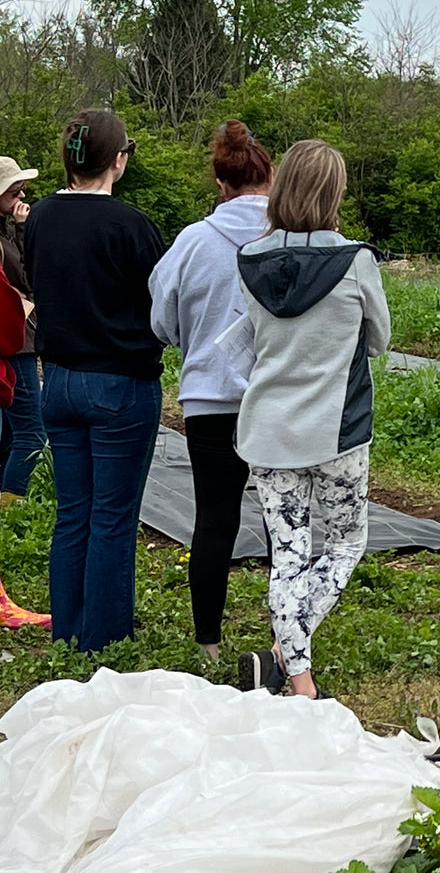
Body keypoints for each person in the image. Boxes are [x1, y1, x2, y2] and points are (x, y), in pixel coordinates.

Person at [233, 140, 389, 699]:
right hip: (337, 428)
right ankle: (297, 673)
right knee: (345, 544)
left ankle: (292, 666)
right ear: (334, 192)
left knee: (288, 554)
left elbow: (245, 341)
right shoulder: (356, 261)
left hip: (268, 429)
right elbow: (380, 339)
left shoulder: (248, 258)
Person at [25, 111, 165, 652]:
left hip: (56, 380)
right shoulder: (130, 226)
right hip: (118, 385)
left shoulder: (38, 218)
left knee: (72, 512)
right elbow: (161, 307)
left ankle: (68, 630)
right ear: (119, 159)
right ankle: (103, 641)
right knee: (112, 515)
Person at [149, 121, 273, 658]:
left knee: (214, 520)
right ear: (269, 178)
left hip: (209, 399)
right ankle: (287, 640)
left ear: (220, 185)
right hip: (276, 399)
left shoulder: (194, 240)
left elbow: (161, 313)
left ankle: (209, 644)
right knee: (283, 522)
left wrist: (191, 343)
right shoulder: (288, 238)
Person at [0, 156, 44, 502]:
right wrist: (23, 230)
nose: (20, 197)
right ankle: (13, 508)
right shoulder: (6, 235)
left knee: (11, 433)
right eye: (14, 191)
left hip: (14, 339)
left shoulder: (5, 229)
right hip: (16, 341)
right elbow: (30, 278)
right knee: (31, 433)